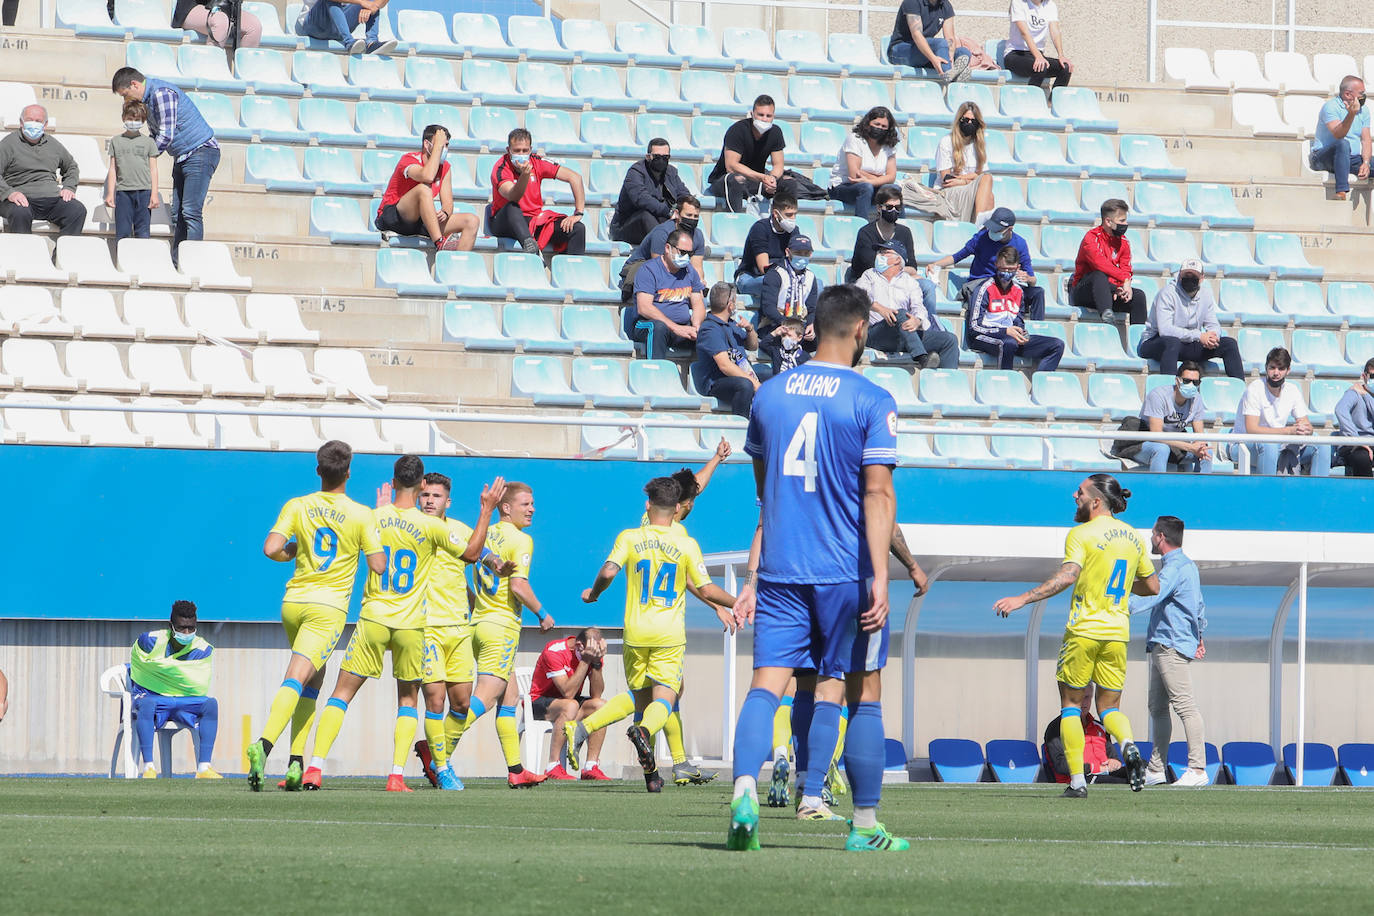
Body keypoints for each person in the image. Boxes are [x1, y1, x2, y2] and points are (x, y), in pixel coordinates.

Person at [728, 283, 918, 852]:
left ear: (814, 325)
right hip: (845, 570)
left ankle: (743, 788)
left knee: (766, 684)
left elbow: (764, 491)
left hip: (785, 565)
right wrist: (883, 575)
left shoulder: (768, 396)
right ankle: (863, 825)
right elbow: (878, 494)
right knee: (863, 690)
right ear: (861, 330)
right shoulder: (871, 398)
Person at [304, 458, 501, 792]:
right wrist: (487, 509)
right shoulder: (431, 527)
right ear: (421, 485)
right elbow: (470, 554)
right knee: (412, 702)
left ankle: (314, 767)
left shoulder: (373, 517)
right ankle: (397, 775)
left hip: (375, 618)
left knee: (341, 694)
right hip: (413, 625)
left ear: (393, 482)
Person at [566, 451, 733, 788]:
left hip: (636, 630)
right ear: (679, 507)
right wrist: (729, 603)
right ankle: (652, 749)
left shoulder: (634, 534)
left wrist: (594, 594)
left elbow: (610, 570)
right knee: (662, 699)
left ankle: (592, 733)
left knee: (645, 696)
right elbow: (696, 583)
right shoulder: (684, 541)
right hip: (668, 631)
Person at [994, 474, 1160, 798]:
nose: (1075, 496)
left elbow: (1068, 575)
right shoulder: (1133, 537)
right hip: (1117, 633)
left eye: (1080, 492)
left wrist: (1023, 598)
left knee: (1071, 705)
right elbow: (1152, 586)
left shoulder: (1081, 534)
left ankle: (1077, 782)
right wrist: (1124, 585)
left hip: (1084, 630)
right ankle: (1127, 745)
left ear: (1096, 501)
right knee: (1109, 708)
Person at [247, 440, 386, 792]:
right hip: (328, 609)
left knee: (313, 678)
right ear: (349, 472)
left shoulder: (298, 505)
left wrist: (292, 551)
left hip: (294, 603)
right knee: (297, 675)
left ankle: (296, 764)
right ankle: (263, 745)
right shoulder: (360, 513)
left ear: (318, 470)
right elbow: (378, 565)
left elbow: (271, 548)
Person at [448, 482, 558, 788]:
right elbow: (518, 586)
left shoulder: (483, 536)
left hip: (480, 624)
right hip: (501, 626)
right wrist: (542, 613)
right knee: (485, 695)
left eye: (533, 504)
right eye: (526, 504)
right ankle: (437, 751)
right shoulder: (521, 540)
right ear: (506, 508)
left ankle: (516, 770)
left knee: (510, 696)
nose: (532, 509)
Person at [412, 472, 512, 791]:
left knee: (461, 704)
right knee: (435, 700)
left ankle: (438, 757)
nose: (429, 501)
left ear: (447, 501)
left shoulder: (458, 530)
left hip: (459, 628)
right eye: (425, 495)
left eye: (436, 496)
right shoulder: (411, 527)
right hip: (426, 628)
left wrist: (498, 564)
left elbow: (480, 554)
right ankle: (442, 769)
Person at [1130, 515, 1209, 788]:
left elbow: (1154, 594)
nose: (1151, 538)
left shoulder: (1174, 567)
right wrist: (1199, 637)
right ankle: (1156, 768)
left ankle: (1197, 768)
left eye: (1153, 533)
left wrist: (1116, 604)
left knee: (1185, 706)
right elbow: (1198, 606)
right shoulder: (1188, 566)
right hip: (1164, 643)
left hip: (1170, 644)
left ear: (1161, 537)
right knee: (1157, 707)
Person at [111, 68, 219, 261]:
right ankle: (178, 261)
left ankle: (193, 261)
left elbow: (166, 135)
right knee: (178, 214)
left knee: (191, 211)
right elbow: (154, 136)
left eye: (125, 94)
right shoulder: (148, 101)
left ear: (135, 85)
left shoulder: (162, 94)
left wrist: (141, 158)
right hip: (182, 156)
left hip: (200, 152)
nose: (125, 100)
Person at [129, 600, 222, 779]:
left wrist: (161, 671)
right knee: (147, 703)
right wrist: (175, 674)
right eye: (181, 628)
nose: (186, 633)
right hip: (151, 698)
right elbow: (137, 668)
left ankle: (204, 768)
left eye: (191, 628)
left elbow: (198, 684)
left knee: (211, 704)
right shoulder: (149, 641)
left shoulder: (202, 649)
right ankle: (149, 767)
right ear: (170, 626)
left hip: (183, 701)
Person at [1227, 347, 1331, 477]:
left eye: (1281, 369)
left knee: (1322, 445)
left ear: (1288, 370)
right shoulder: (1255, 388)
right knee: (1269, 446)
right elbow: (1252, 429)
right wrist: (1288, 431)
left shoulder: (1292, 390)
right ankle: (1268, 494)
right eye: (1272, 368)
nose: (1276, 373)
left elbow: (1305, 423)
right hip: (1242, 444)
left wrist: (1306, 430)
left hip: (1277, 442)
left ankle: (1317, 494)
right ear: (1266, 368)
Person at [856, 238, 958, 370]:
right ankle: (921, 357)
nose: (878, 255)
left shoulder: (910, 283)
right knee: (900, 313)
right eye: (879, 252)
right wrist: (879, 308)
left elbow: (919, 307)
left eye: (884, 252)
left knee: (950, 340)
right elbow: (857, 297)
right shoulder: (869, 275)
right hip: (876, 334)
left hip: (905, 334)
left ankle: (945, 385)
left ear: (898, 260)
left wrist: (917, 321)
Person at [927, 207, 1044, 319]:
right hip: (982, 283)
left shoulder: (1020, 243)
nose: (992, 232)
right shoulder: (981, 237)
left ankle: (1036, 331)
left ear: (1010, 229)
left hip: (1004, 285)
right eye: (992, 227)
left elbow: (1032, 280)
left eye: (997, 229)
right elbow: (958, 256)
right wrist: (936, 264)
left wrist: (1028, 278)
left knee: (1037, 292)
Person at [374, 124, 477, 251]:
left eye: (446, 145)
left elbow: (448, 203)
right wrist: (437, 149)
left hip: (420, 220)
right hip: (394, 216)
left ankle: (458, 264)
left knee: (471, 221)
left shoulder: (445, 167)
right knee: (424, 189)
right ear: (427, 145)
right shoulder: (409, 159)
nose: (444, 149)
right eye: (440, 145)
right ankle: (439, 243)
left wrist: (445, 212)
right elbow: (427, 176)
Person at [1137, 260, 1243, 379]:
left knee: (1229, 343)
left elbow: (1212, 323)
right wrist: (1199, 336)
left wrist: (1213, 337)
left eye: (1194, 276)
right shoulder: (1167, 294)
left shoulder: (1205, 295)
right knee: (1172, 342)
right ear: (1180, 275)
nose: (1189, 279)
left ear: (1202, 278)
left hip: (1187, 343)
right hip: (1155, 342)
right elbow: (1165, 330)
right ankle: (1168, 390)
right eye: (1186, 275)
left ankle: (1241, 390)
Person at [964, 245, 1063, 372]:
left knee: (1056, 345)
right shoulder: (984, 289)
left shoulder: (1018, 291)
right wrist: (1004, 331)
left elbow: (1018, 320)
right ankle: (1006, 383)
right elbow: (974, 327)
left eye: (1010, 270)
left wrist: (1020, 332)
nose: (1006, 273)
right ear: (996, 265)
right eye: (1003, 269)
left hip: (1011, 337)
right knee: (1007, 343)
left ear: (1018, 268)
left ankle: (1039, 386)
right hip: (983, 337)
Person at [489, 128, 586, 256]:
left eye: (525, 150)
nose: (521, 154)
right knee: (512, 207)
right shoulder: (501, 168)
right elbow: (513, 196)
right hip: (505, 221)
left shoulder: (537, 161)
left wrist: (578, 213)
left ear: (530, 149)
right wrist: (525, 175)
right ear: (509, 150)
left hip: (533, 219)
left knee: (577, 228)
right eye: (517, 151)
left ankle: (571, 271)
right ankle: (530, 248)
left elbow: (575, 178)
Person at [529, 628, 609, 781]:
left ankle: (590, 766)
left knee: (601, 706)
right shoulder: (554, 651)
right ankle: (553, 766)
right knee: (570, 705)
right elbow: (567, 692)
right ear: (579, 646)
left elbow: (596, 694)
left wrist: (597, 663)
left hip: (569, 703)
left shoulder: (592, 652)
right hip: (539, 702)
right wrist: (586, 661)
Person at [0, 104, 85, 236]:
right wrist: (9, 193)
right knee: (20, 212)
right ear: (21, 122)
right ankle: (23, 254)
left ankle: (61, 254)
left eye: (38, 121)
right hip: (20, 199)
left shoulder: (53, 145)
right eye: (29, 120)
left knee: (77, 210)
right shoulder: (8, 144)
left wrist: (69, 187)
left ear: (45, 125)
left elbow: (71, 167)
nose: (33, 124)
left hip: (51, 198)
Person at [626, 227, 706, 359]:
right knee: (658, 327)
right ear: (668, 248)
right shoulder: (648, 270)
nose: (686, 257)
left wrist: (697, 325)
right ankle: (655, 372)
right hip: (649, 324)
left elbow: (698, 304)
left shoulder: (690, 271)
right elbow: (644, 308)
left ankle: (715, 376)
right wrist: (675, 328)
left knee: (711, 327)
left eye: (689, 254)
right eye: (682, 252)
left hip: (682, 328)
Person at [1068, 198, 1147, 325]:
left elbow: (1126, 267)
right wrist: (1124, 280)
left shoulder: (1124, 242)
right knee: (1098, 276)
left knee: (1138, 296)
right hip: (1084, 291)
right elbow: (1101, 265)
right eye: (1122, 221)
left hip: (1110, 290)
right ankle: (1107, 318)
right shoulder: (1091, 238)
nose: (1125, 224)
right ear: (1108, 221)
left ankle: (1140, 338)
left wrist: (1122, 286)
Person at [706, 94, 787, 214]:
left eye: (768, 116)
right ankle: (736, 220)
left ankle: (780, 225)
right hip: (725, 180)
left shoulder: (776, 132)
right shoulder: (737, 130)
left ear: (773, 116)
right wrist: (762, 177)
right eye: (760, 115)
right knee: (737, 179)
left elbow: (779, 164)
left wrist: (772, 179)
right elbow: (731, 166)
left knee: (788, 183)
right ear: (752, 113)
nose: (764, 119)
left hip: (755, 180)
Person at [693, 281, 761, 419]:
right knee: (745, 385)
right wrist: (754, 383)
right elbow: (724, 366)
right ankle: (739, 427)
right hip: (717, 382)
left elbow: (753, 346)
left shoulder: (731, 324)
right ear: (730, 305)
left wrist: (750, 329)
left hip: (739, 373)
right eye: (735, 301)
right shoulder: (709, 329)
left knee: (774, 377)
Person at [920, 102, 995, 225]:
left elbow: (981, 176)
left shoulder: (979, 145)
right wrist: (971, 179)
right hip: (947, 191)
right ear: (959, 120)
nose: (969, 123)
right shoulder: (946, 142)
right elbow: (947, 179)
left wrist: (962, 180)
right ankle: (979, 225)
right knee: (987, 180)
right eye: (966, 119)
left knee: (989, 193)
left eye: (973, 121)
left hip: (967, 188)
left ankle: (983, 230)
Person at [619, 195, 706, 299]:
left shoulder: (698, 235)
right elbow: (658, 267)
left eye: (696, 216)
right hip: (642, 267)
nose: (692, 219)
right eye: (689, 215)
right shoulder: (662, 233)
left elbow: (697, 267)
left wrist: (699, 285)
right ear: (677, 214)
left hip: (675, 268)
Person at [610, 138, 692, 245]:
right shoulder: (636, 172)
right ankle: (666, 247)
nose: (661, 160)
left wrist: (685, 209)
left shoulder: (671, 172)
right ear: (648, 157)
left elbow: (683, 194)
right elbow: (641, 199)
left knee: (688, 214)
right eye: (657, 157)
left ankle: (692, 246)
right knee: (646, 215)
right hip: (627, 226)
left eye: (665, 157)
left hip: (657, 221)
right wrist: (669, 212)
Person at [1137, 362, 1213, 474]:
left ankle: (1201, 489)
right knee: (1161, 449)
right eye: (1187, 381)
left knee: (1206, 452)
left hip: (1175, 445)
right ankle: (1158, 489)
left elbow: (1199, 435)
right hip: (1145, 443)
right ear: (1177, 381)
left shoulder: (1196, 399)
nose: (1191, 385)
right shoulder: (1158, 396)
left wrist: (1199, 447)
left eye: (1195, 382)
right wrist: (1189, 447)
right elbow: (1156, 435)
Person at [758, 237, 820, 374]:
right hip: (776, 324)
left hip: (799, 327)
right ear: (788, 252)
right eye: (798, 252)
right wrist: (787, 326)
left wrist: (811, 325)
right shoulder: (775, 273)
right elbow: (768, 307)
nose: (802, 256)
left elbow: (812, 308)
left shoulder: (811, 277)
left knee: (820, 337)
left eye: (806, 253)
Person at [1042, 685, 1124, 783]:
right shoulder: (1057, 727)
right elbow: (1060, 765)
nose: (1084, 703)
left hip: (1105, 773)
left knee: (1137, 772)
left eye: (1087, 697)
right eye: (1079, 698)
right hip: (1079, 779)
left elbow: (1112, 756)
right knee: (1123, 783)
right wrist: (1093, 768)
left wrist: (1114, 762)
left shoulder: (1100, 726)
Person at [103, 100, 160, 242]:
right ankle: (122, 261)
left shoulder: (149, 142)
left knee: (143, 233)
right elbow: (113, 169)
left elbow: (153, 170)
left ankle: (140, 262)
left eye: (137, 120)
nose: (133, 122)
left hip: (144, 192)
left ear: (143, 121)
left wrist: (154, 194)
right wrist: (110, 193)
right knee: (122, 233)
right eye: (130, 118)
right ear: (123, 118)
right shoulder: (116, 141)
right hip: (123, 192)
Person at [829, 107, 900, 220]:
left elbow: (891, 177)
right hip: (843, 186)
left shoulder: (889, 145)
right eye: (876, 124)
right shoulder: (854, 139)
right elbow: (854, 174)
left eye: (883, 126)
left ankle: (899, 229)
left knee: (894, 189)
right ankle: (862, 228)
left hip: (870, 187)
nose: (879, 128)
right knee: (866, 187)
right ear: (868, 123)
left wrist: (871, 180)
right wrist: (880, 178)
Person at [1310, 76, 1370, 201]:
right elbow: (1339, 134)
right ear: (1348, 94)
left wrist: (1366, 163)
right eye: (1361, 93)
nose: (1364, 96)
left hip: (1350, 159)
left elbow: (1366, 140)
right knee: (1343, 144)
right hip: (1324, 158)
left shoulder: (1364, 111)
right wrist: (1351, 114)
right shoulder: (1330, 107)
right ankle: (1341, 191)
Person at [845, 184, 919, 282]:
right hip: (868, 281)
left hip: (897, 280)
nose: (894, 210)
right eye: (889, 207)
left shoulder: (905, 232)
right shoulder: (866, 233)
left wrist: (894, 269)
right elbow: (872, 266)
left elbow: (913, 268)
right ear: (879, 208)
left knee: (926, 285)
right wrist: (899, 267)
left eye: (897, 207)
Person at [887, 0, 972, 80]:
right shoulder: (912, 2)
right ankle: (949, 76)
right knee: (941, 44)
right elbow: (917, 35)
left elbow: (950, 38)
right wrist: (933, 58)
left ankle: (952, 73)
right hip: (900, 50)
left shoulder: (945, 5)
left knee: (963, 52)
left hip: (923, 52)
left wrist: (951, 57)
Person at [736, 193, 798, 298]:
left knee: (816, 284)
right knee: (775, 283)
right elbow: (764, 268)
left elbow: (797, 262)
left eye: (795, 214)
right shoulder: (760, 229)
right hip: (751, 276)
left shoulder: (794, 231)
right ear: (775, 213)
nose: (793, 218)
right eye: (788, 215)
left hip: (782, 276)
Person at [1004, 0, 1072, 91]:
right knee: (1040, 67)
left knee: (1065, 68)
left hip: (1036, 55)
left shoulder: (1050, 5)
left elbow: (1055, 31)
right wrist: (1038, 56)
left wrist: (1061, 55)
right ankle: (1030, 101)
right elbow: (1024, 33)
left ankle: (1051, 103)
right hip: (1015, 54)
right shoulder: (1018, 2)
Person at [295, 0, 397, 55]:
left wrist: (373, 7)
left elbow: (376, 3)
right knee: (331, 1)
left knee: (373, 3)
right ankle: (349, 42)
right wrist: (363, 2)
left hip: (337, 27)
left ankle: (371, 43)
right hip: (314, 26)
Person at [1334, 358, 1374, 477]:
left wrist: (1366, 395)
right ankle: (1365, 494)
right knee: (1362, 457)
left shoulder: (1364, 394)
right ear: (1364, 376)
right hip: (1354, 444)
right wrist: (1357, 440)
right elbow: (1340, 410)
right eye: (1372, 376)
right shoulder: (1353, 393)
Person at [173, 0, 262, 49]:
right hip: (190, 6)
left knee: (254, 27)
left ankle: (245, 79)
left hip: (224, 5)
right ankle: (211, 73)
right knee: (221, 22)